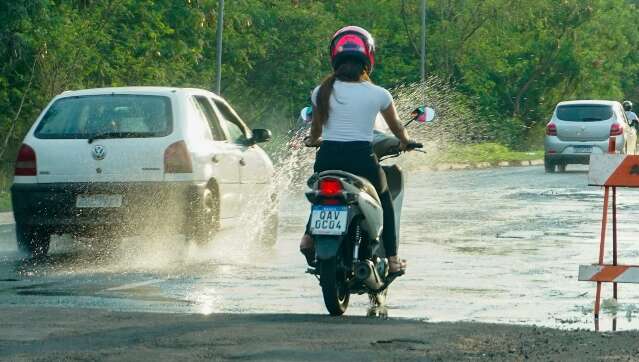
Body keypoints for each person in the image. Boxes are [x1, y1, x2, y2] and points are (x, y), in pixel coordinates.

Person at [300, 25, 417, 275]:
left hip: (327, 159)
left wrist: (312, 141)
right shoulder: (379, 94)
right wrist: (406, 141)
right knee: (385, 198)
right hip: (361, 160)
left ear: (335, 58)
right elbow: (396, 127)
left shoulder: (321, 91)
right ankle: (394, 259)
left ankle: (308, 238)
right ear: (368, 59)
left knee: (321, 194)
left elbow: (316, 131)